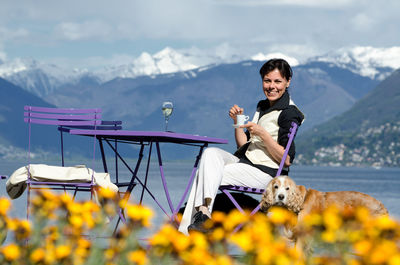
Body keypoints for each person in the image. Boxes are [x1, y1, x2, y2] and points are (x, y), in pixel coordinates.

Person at [178, 58, 304, 235]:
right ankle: (203, 215)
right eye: (267, 81)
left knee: (205, 174)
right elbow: (243, 145)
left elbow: (287, 160)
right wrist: (238, 122)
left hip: (268, 173)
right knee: (211, 154)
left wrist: (263, 134)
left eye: (278, 81)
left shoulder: (290, 113)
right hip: (245, 163)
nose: (272, 86)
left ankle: (191, 228)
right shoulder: (263, 106)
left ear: (288, 82)